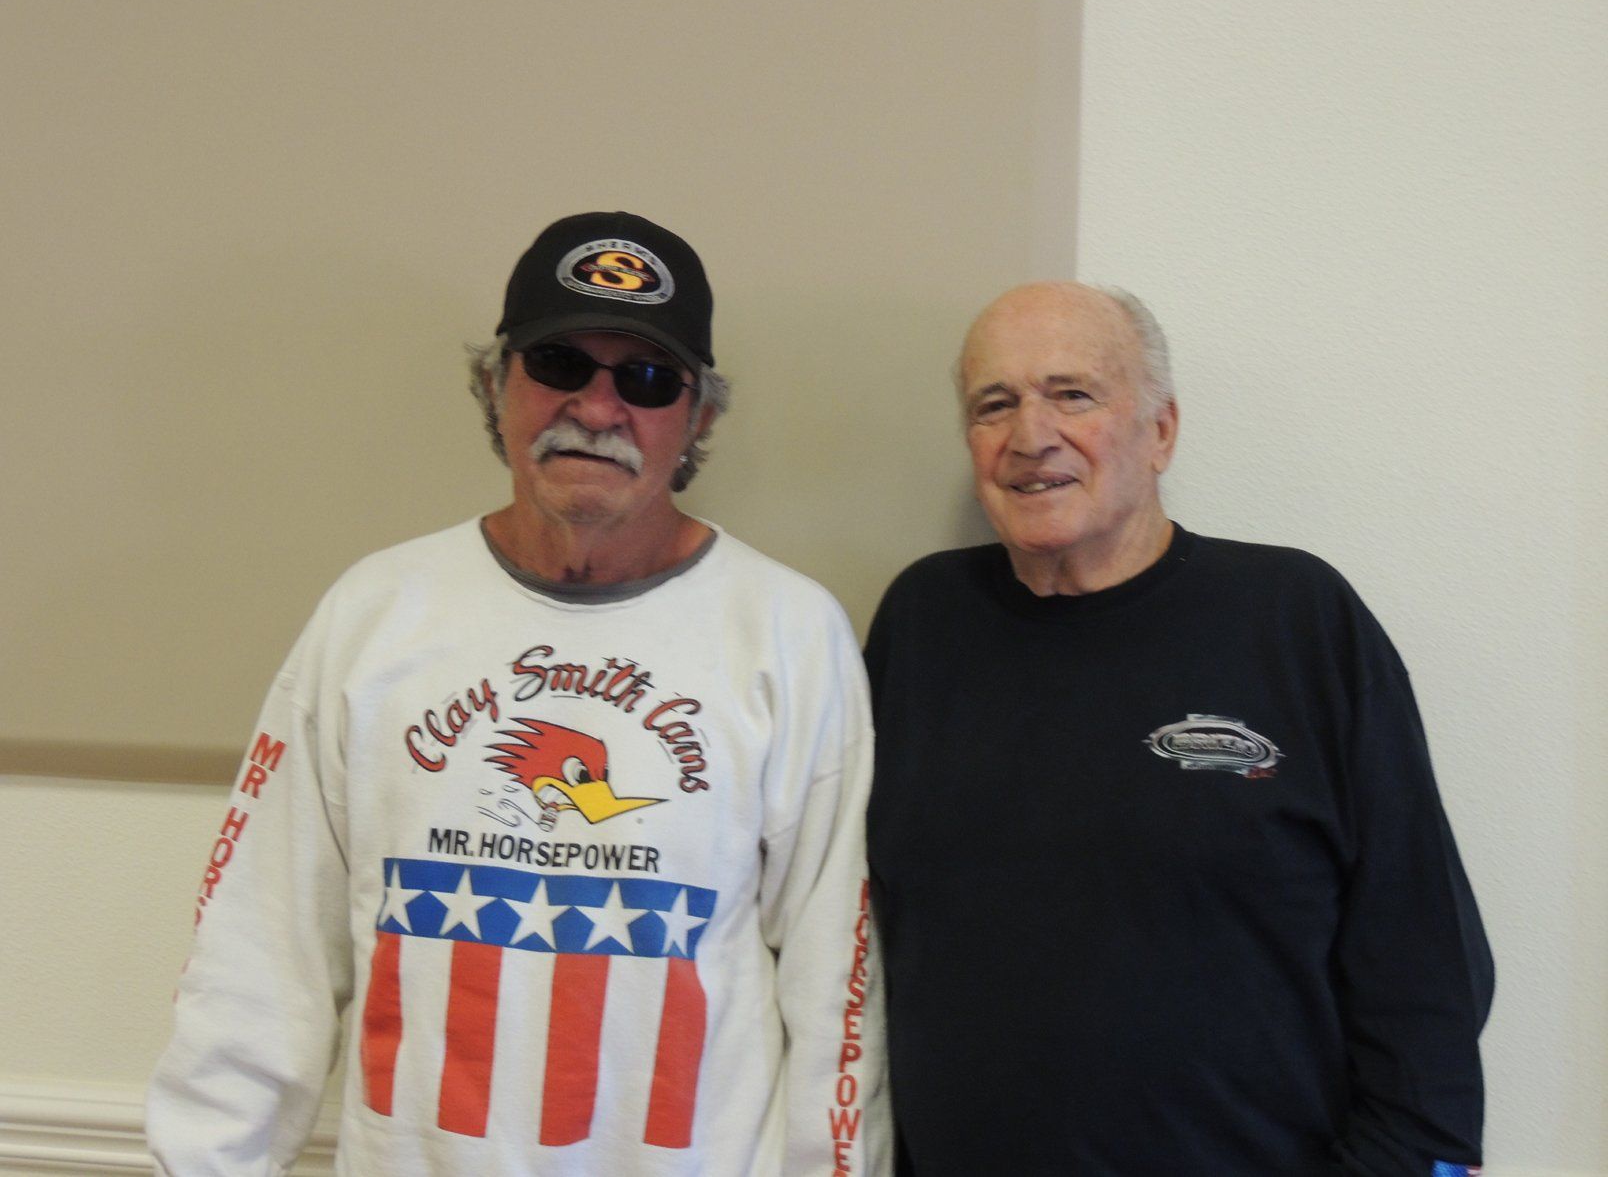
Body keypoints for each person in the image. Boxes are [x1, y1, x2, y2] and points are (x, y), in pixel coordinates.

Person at [148, 211, 886, 1176]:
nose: (599, 407)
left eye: (648, 379)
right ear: (498, 386)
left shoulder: (789, 636)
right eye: (560, 364)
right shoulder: (374, 614)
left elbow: (838, 989)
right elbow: (261, 952)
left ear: (699, 417)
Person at [864, 282, 1493, 1176]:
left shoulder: (1297, 621)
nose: (1030, 435)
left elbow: (1426, 963)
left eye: (1072, 394)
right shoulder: (924, 623)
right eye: (993, 404)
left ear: (1161, 431)